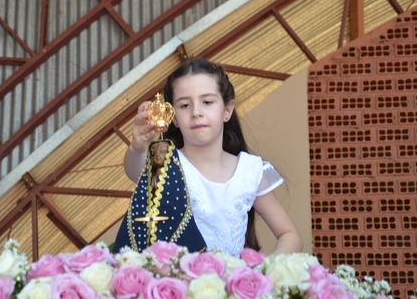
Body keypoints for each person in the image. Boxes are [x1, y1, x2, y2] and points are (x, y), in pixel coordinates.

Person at [119, 58, 303, 256]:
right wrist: (138, 147)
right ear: (173, 118)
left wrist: (264, 274)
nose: (196, 112)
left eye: (207, 102)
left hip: (233, 285)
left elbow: (290, 235)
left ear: (227, 110)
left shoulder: (250, 171)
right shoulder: (164, 164)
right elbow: (136, 171)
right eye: (184, 105)